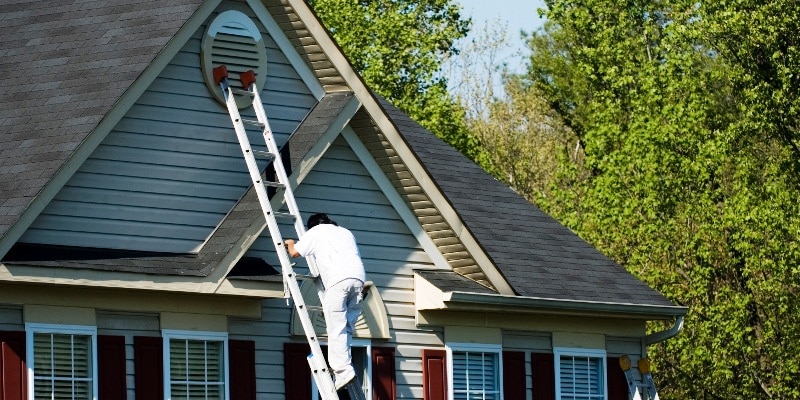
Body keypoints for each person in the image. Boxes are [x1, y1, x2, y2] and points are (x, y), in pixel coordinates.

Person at [284, 213, 366, 391]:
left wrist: (290, 242)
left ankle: (343, 371)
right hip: (358, 280)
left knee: (335, 327)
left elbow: (295, 252)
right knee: (346, 327)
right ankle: (346, 366)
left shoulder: (316, 231)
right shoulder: (345, 232)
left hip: (338, 282)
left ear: (312, 226)